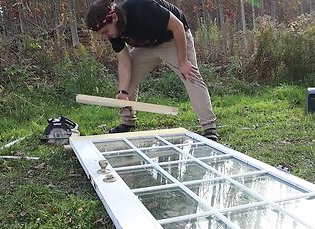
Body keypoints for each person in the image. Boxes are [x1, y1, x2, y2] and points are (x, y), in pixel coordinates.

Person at [86, 0, 219, 141]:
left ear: (114, 17)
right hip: (146, 47)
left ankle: (209, 127)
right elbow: (125, 62)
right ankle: (128, 122)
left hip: (173, 39)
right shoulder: (114, 33)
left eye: (105, 31)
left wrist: (183, 61)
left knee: (190, 76)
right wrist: (123, 92)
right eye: (101, 34)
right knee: (125, 84)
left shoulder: (141, 6)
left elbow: (178, 26)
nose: (104, 37)